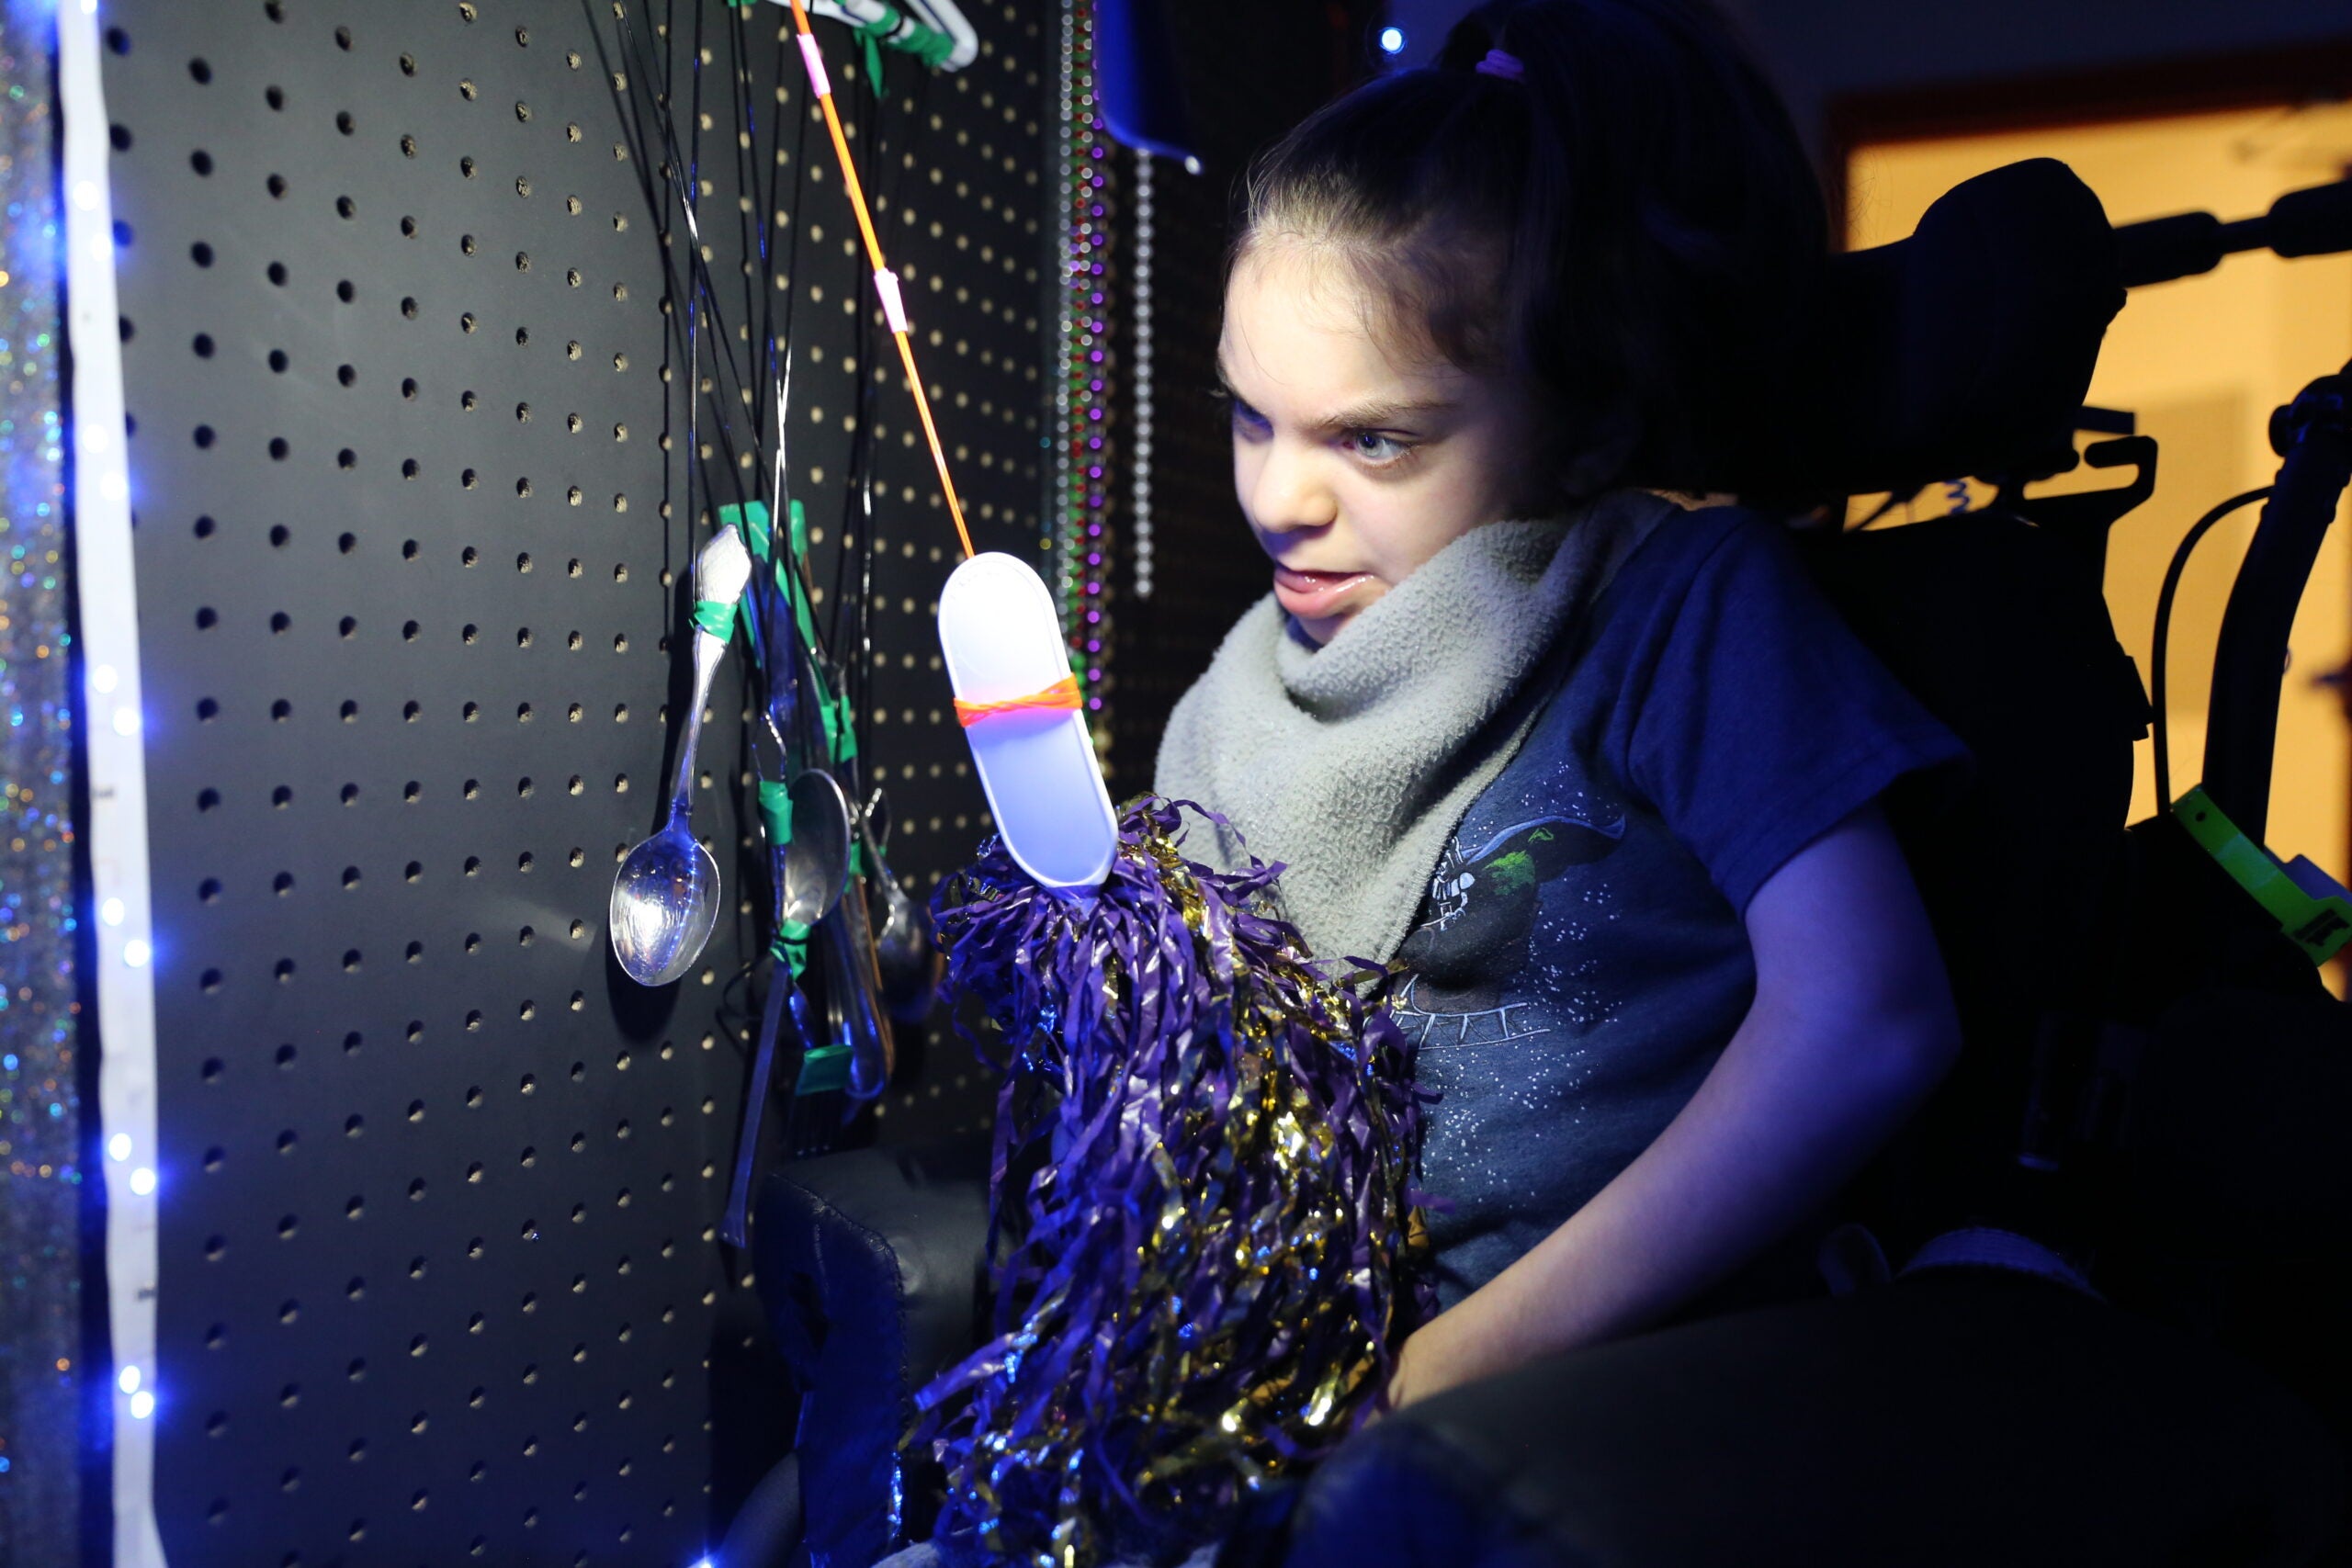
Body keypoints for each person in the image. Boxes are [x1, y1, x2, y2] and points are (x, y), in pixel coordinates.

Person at [1154, 0, 1972, 1413]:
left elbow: (1873, 1018)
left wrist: (1440, 1380)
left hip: (1610, 1413)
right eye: (1250, 415)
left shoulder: (1678, 611)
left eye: (1375, 438)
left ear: (1583, 423)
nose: (1280, 501)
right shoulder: (1235, 695)